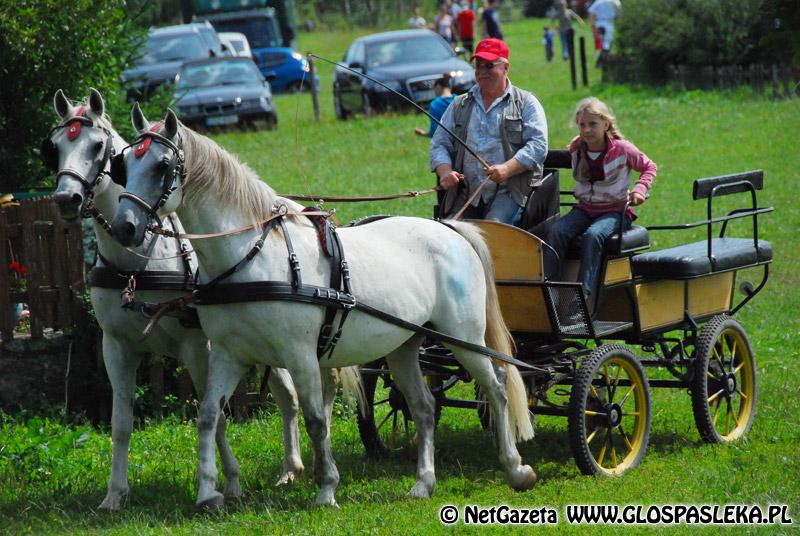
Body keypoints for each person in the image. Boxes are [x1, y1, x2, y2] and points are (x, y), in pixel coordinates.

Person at [545, 97, 657, 310]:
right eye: (582, 125)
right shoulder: (578, 147)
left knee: (593, 235)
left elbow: (649, 167)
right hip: (585, 208)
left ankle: (583, 296)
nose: (587, 130)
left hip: (615, 211)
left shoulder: (623, 149)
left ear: (606, 123)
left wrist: (640, 189)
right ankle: (553, 289)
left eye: (593, 124)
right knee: (556, 231)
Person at [430, 38, 548, 224]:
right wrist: (445, 171)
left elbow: (538, 145)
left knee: (492, 231)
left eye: (489, 66)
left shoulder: (526, 103)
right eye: (478, 66)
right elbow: (439, 143)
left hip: (510, 192)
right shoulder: (459, 105)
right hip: (467, 192)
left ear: (505, 67)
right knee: (448, 232)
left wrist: (507, 169)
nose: (482, 72)